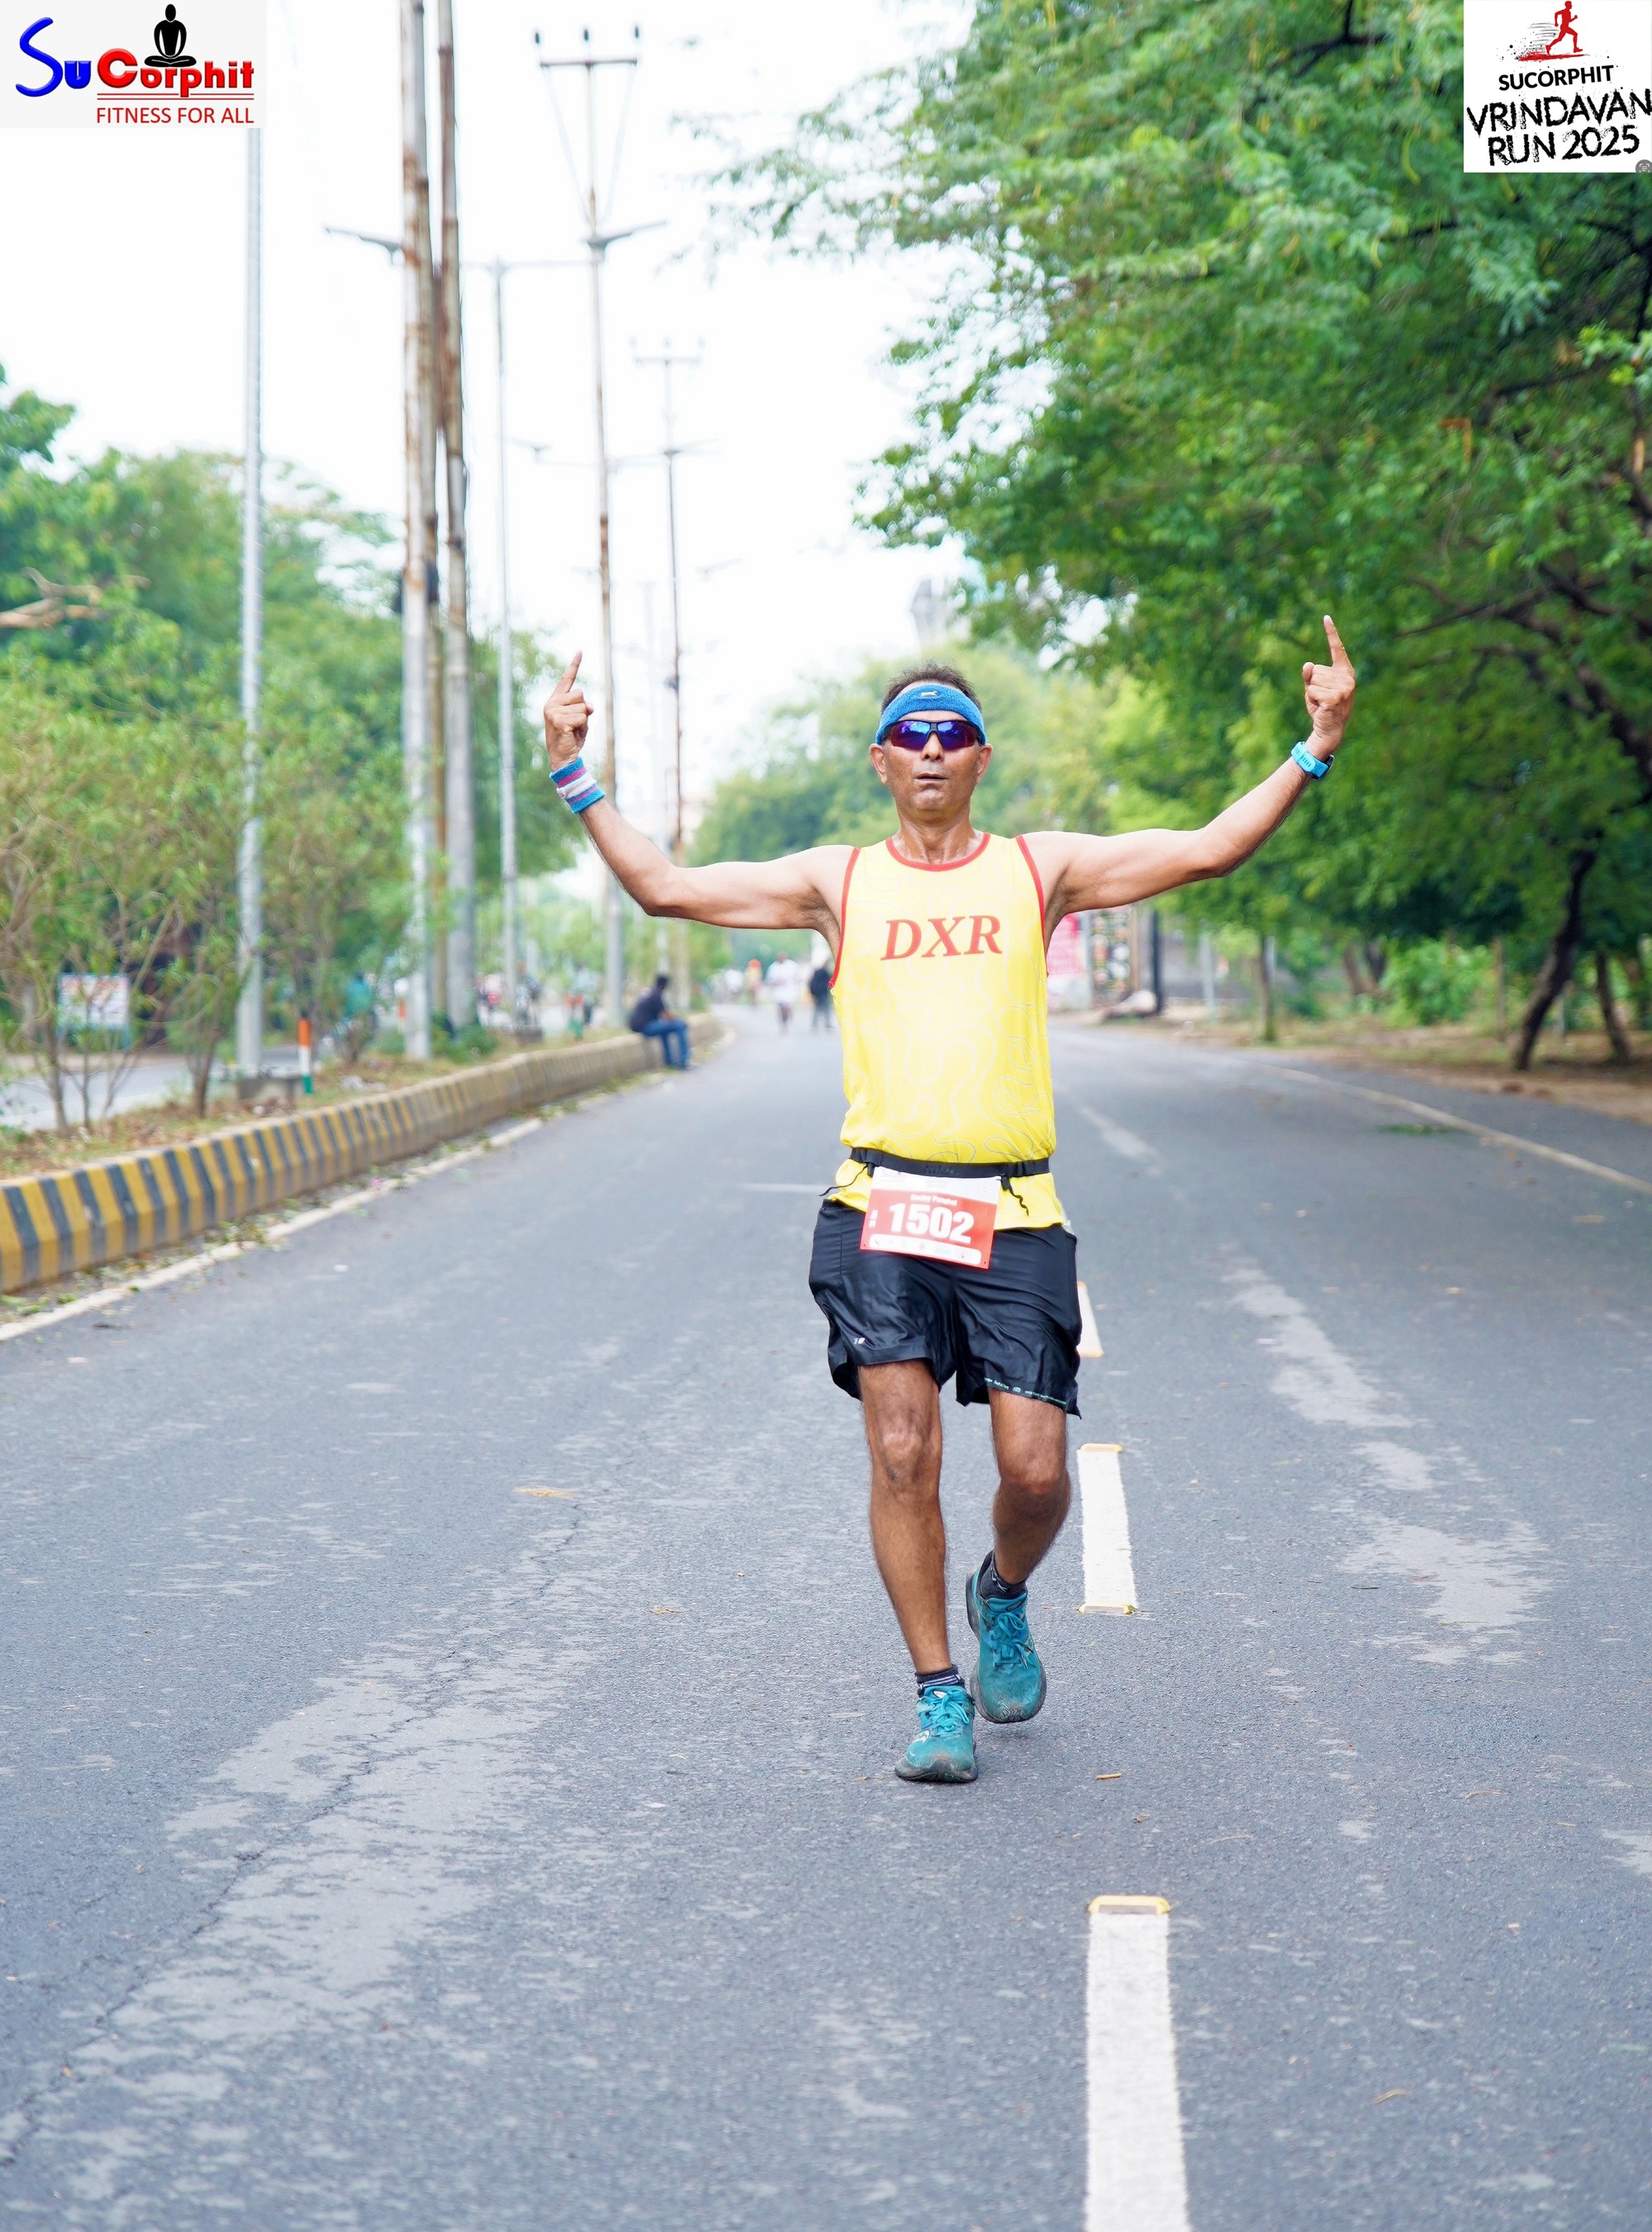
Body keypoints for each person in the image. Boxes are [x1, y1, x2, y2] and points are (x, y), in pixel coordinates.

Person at [544, 626, 1355, 1783]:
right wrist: (573, 771)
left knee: (1035, 1472)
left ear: (981, 756)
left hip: (1012, 1211)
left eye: (953, 733)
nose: (931, 749)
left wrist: (1315, 744)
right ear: (880, 759)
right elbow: (664, 887)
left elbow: (1208, 850)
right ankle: (936, 1694)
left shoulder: (1038, 870)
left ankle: (1002, 1592)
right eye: (909, 734)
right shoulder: (838, 883)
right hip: (881, 1207)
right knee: (901, 1451)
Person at [628, 972, 690, 1070]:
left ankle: (668, 1062)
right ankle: (683, 1061)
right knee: (680, 1025)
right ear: (664, 985)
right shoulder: (657, 994)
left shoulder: (649, 992)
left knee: (664, 1030)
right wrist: (679, 1019)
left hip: (636, 1026)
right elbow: (667, 1016)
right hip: (646, 1027)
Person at [767, 952, 803, 1033]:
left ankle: (786, 1021)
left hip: (789, 990)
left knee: (786, 1007)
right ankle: (782, 1023)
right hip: (778, 991)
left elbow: (798, 977)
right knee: (781, 1008)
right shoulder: (773, 967)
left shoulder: (792, 965)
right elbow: (770, 979)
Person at [809, 958, 834, 1033]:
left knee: (817, 1009)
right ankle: (827, 1024)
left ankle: (815, 1025)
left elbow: (812, 982)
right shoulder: (825, 973)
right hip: (823, 993)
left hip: (817, 993)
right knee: (826, 1010)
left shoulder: (817, 972)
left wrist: (813, 993)